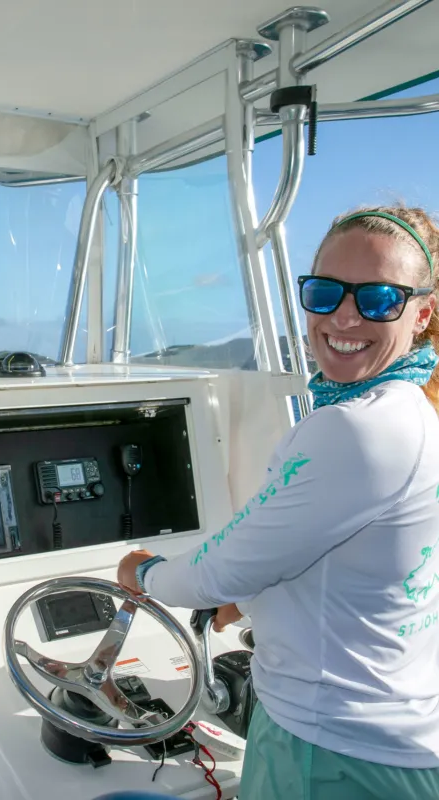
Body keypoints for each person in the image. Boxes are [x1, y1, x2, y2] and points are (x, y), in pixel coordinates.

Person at [118, 206, 439, 799]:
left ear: (421, 313)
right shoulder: (414, 412)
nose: (345, 316)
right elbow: (345, 565)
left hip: (328, 754)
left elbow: (218, 571)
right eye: (325, 292)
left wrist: (142, 572)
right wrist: (249, 601)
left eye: (378, 299)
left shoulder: (354, 430)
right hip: (394, 742)